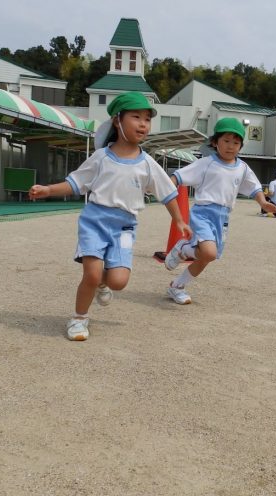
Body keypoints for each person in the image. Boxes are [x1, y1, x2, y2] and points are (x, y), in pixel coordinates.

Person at [28, 92, 191, 341]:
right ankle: (79, 319)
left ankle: (103, 284)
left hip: (125, 228)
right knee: (91, 274)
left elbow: (167, 193)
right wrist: (48, 190)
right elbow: (75, 183)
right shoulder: (101, 157)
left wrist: (179, 220)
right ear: (117, 121)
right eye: (136, 117)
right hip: (94, 222)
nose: (143, 124)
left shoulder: (147, 163)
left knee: (118, 282)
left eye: (147, 119)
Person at [164, 117, 276, 304]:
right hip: (203, 213)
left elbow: (254, 187)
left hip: (223, 218)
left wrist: (263, 203)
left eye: (236, 142)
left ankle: (177, 286)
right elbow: (179, 176)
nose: (231, 146)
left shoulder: (242, 168)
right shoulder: (207, 163)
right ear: (215, 142)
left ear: (241, 145)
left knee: (208, 257)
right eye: (226, 141)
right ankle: (183, 248)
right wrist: (168, 185)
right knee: (208, 253)